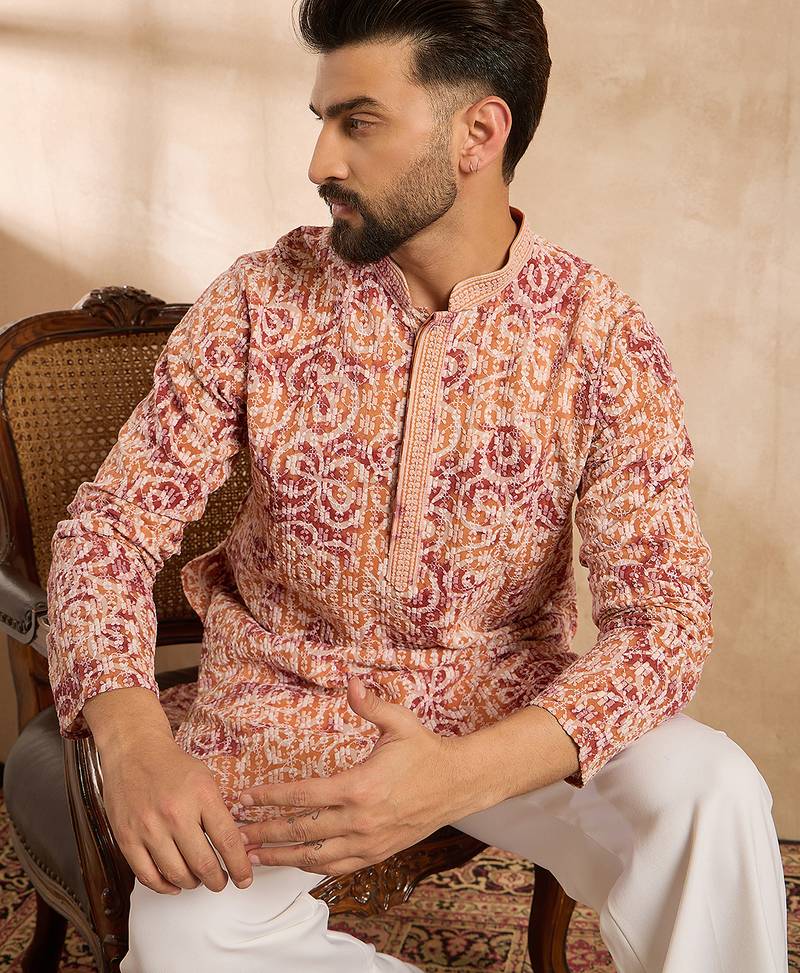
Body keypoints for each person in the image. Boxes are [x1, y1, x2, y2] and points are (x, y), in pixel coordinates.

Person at [45, 1, 788, 971]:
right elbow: (108, 531)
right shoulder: (260, 301)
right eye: (321, 119)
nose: (319, 160)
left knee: (712, 793)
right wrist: (134, 737)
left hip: (510, 712)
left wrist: (454, 777)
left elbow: (664, 623)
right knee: (186, 938)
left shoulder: (598, 334)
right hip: (286, 709)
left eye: (357, 121)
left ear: (478, 132)